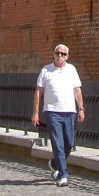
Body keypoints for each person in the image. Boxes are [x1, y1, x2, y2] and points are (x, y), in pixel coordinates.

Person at [30, 43, 85, 187]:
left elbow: (77, 90)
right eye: (57, 53)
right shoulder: (46, 71)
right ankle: (63, 174)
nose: (60, 56)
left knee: (69, 143)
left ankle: (55, 163)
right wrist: (35, 113)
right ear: (53, 54)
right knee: (58, 143)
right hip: (52, 111)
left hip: (70, 111)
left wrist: (81, 108)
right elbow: (38, 92)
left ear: (67, 56)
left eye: (63, 54)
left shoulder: (72, 69)